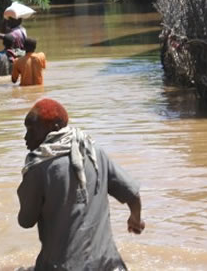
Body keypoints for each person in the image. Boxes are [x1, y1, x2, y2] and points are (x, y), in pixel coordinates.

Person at [17, 99, 144, 270]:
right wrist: (135, 219)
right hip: (110, 265)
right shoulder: (94, 153)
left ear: (54, 127)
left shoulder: (38, 168)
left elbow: (25, 221)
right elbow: (133, 194)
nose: (26, 137)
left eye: (32, 129)